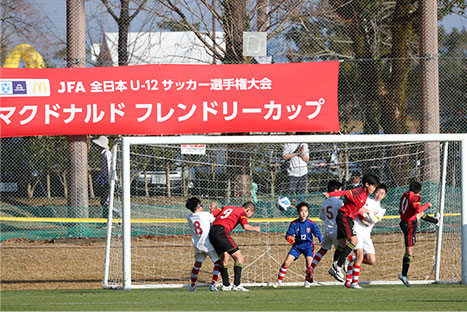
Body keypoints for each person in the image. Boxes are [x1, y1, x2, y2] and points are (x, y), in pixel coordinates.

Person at [324, 174, 380, 283]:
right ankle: (338, 265)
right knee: (354, 241)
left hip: (344, 216)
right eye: (373, 186)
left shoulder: (364, 195)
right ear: (367, 184)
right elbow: (344, 193)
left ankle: (335, 267)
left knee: (341, 244)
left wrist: (362, 217)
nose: (374, 189)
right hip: (345, 217)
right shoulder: (358, 192)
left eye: (375, 187)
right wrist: (331, 194)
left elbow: (355, 207)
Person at [208, 201, 261, 291]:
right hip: (222, 232)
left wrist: (213, 209)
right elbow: (245, 227)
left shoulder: (226, 207)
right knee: (239, 258)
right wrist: (255, 228)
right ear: (248, 210)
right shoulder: (242, 212)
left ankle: (226, 285)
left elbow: (211, 215)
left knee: (224, 258)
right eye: (250, 214)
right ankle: (237, 285)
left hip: (212, 232)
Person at [344, 184, 387, 289]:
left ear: (384, 196)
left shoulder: (382, 209)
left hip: (366, 234)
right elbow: (357, 208)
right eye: (377, 192)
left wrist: (365, 213)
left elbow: (374, 219)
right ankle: (353, 282)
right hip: (356, 229)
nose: (378, 195)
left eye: (382, 194)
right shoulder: (367, 199)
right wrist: (363, 215)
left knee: (371, 260)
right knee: (360, 255)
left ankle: (350, 259)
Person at [398, 181, 439, 287]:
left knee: (419, 215)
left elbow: (416, 212)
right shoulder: (415, 198)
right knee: (409, 252)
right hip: (409, 224)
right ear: (420, 192)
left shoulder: (405, 195)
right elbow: (419, 209)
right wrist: (427, 205)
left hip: (404, 221)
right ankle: (403, 274)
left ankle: (436, 221)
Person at [273, 202, 322, 288]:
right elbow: (288, 235)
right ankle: (278, 282)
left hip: (308, 246)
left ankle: (307, 281)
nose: (304, 213)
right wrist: (289, 238)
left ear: (308, 212)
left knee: (309, 263)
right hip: (297, 246)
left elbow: (318, 234)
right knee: (286, 263)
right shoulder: (294, 224)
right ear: (298, 212)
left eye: (306, 211)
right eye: (302, 211)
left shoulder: (311, 223)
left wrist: (321, 243)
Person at [307, 180, 343, 283]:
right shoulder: (340, 203)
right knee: (344, 251)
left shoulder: (325, 202)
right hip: (337, 230)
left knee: (323, 250)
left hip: (327, 230)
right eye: (340, 190)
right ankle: (341, 273)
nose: (341, 192)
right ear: (336, 191)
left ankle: (311, 267)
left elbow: (321, 217)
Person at [185, 197, 221, 292]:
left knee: (197, 264)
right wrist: (213, 210)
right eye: (201, 205)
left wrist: (211, 212)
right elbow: (215, 220)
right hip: (208, 243)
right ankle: (213, 284)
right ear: (197, 206)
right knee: (218, 263)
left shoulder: (189, 217)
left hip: (198, 245)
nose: (202, 207)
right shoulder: (205, 214)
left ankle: (192, 285)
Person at [92, 135, 120, 218]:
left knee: (106, 201)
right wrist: (99, 178)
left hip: (109, 179)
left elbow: (108, 167)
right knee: (104, 201)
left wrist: (109, 180)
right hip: (105, 179)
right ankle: (107, 219)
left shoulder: (106, 153)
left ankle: (118, 215)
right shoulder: (103, 153)